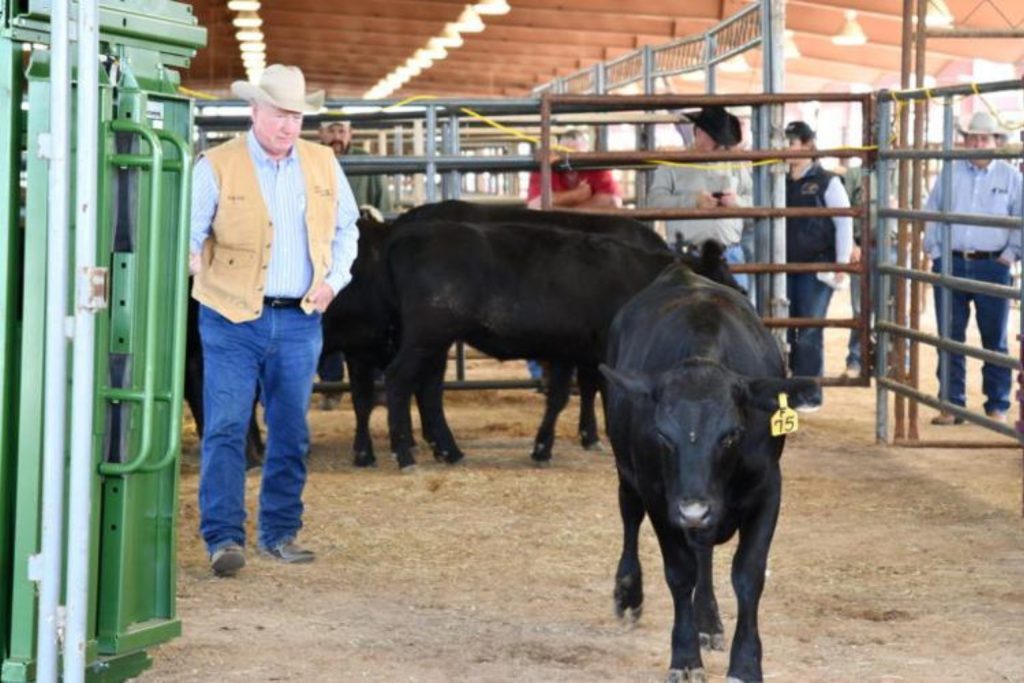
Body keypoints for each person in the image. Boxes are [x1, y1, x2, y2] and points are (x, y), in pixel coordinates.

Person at [189, 64, 360, 576]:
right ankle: (223, 539)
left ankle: (280, 532)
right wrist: (196, 265)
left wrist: (336, 280)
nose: (289, 126)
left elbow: (346, 231)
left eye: (297, 116)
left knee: (290, 430)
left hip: (300, 316)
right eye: (280, 114)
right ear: (254, 111)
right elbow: (189, 233)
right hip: (230, 319)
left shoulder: (324, 162)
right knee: (224, 427)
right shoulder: (216, 164)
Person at [923, 111, 1022, 425]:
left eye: (984, 137)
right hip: (951, 261)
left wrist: (1011, 254)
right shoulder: (950, 172)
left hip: (993, 265)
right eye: (973, 137)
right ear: (965, 140)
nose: (978, 142)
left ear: (996, 141)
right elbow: (933, 211)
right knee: (949, 337)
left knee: (995, 338)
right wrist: (936, 252)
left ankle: (997, 405)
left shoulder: (1011, 177)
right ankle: (952, 405)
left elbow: (1020, 219)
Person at [316, 120, 393, 410]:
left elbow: (382, 202)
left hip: (364, 250)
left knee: (368, 316)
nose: (337, 137)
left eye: (341, 131)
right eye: (331, 131)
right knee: (326, 315)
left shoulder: (366, 161)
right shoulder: (311, 158)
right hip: (323, 249)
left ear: (351, 134)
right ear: (321, 134)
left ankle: (377, 384)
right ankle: (331, 385)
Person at [784, 121, 854, 411]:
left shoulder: (827, 181)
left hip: (816, 266)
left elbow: (844, 221)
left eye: (791, 142)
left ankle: (808, 393)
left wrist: (841, 262)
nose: (786, 148)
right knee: (784, 327)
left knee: (810, 327)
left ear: (808, 145)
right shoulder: (778, 179)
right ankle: (786, 390)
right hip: (781, 265)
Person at [647, 106, 753, 291]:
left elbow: (755, 200)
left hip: (729, 253)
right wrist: (692, 202)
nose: (720, 146)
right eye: (715, 139)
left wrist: (737, 203)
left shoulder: (735, 163)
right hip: (689, 255)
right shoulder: (672, 163)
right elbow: (655, 202)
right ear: (699, 132)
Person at [526, 128, 622, 209]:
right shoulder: (547, 163)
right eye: (564, 153)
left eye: (577, 154)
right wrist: (575, 195)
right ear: (557, 152)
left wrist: (565, 212)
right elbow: (535, 204)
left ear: (587, 153)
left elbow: (613, 201)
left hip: (563, 223)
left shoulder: (596, 166)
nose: (571, 159)